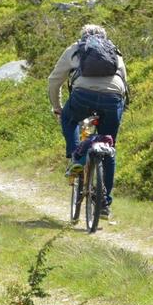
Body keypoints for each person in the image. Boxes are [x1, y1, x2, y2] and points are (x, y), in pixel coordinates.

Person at [48, 24, 127, 218]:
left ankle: (77, 157)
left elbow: (54, 81)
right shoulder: (114, 50)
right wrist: (118, 108)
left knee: (69, 118)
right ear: (104, 37)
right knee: (109, 147)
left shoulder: (75, 48)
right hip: (113, 97)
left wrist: (57, 108)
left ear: (83, 36)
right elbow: (124, 82)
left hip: (83, 95)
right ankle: (104, 204)